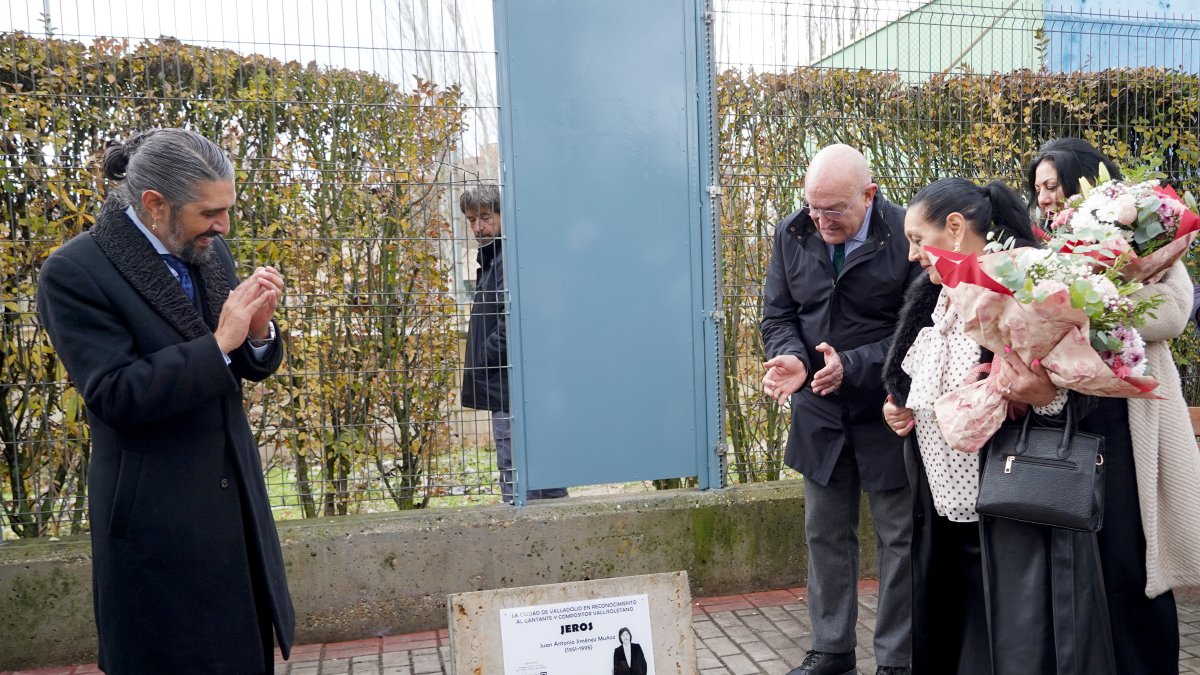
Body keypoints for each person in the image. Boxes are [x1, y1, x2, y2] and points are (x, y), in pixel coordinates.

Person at [35, 128, 294, 673]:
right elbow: (115, 395)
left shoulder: (205, 247)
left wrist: (256, 334)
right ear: (155, 205)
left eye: (227, 210)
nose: (223, 226)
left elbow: (239, 366)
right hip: (158, 521)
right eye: (209, 213)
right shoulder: (75, 273)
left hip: (234, 511)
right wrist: (220, 341)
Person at [882, 178, 1115, 673]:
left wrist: (1046, 398)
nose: (910, 255)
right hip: (939, 506)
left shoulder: (1022, 286)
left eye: (917, 240)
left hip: (1009, 506)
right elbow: (915, 380)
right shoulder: (933, 295)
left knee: (1011, 640)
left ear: (955, 227)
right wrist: (899, 407)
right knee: (950, 631)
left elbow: (1073, 401)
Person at [1024, 137, 1200, 674]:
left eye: (1051, 186)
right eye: (1037, 191)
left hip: (1131, 422)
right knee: (1081, 568)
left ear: (1084, 181)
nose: (1045, 200)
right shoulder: (1042, 249)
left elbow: (1172, 314)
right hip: (1070, 423)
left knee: (1134, 562)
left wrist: (1094, 307)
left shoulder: (1150, 237)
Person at [761, 144, 921, 675]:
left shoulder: (905, 234)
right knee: (825, 532)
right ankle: (831, 650)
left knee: (899, 536)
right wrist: (789, 355)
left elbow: (918, 329)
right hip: (819, 408)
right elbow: (779, 314)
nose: (821, 221)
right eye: (813, 207)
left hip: (888, 404)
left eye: (834, 210)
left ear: (869, 195)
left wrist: (853, 364)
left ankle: (898, 660)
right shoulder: (793, 233)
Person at [459, 185, 567, 504]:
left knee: (517, 474)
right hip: (521, 383)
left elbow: (516, 321)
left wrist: (484, 358)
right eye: (471, 220)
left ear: (506, 216)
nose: (479, 227)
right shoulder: (498, 257)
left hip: (510, 383)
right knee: (544, 474)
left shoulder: (509, 258)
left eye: (486, 217)